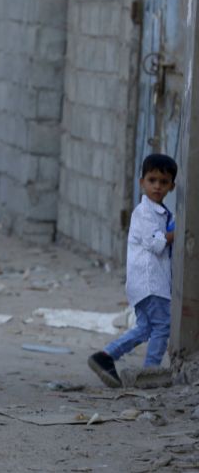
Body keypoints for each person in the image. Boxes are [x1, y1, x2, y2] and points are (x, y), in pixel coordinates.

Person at [88, 154, 177, 387]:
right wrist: (176, 233)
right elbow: (155, 244)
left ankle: (105, 356)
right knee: (163, 325)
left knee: (146, 328)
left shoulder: (162, 211)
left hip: (147, 283)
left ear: (172, 186)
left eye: (164, 182)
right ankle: (151, 372)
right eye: (152, 180)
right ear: (142, 182)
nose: (157, 186)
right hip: (150, 283)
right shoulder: (144, 212)